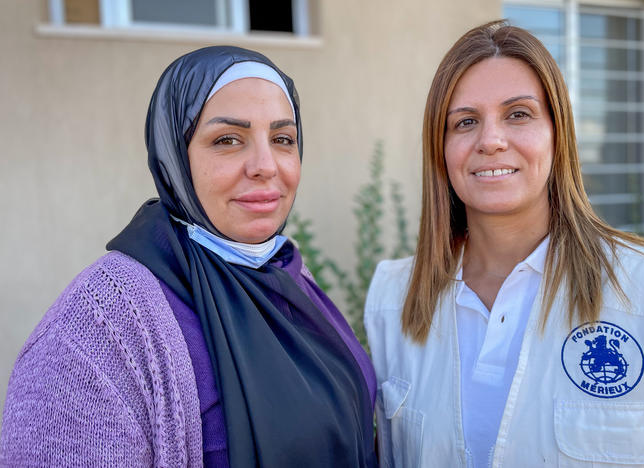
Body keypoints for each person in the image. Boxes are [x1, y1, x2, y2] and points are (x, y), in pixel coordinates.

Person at [1, 46, 377, 467]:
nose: (265, 165)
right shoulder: (95, 333)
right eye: (228, 140)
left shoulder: (285, 274)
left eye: (282, 139)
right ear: (175, 157)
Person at [364, 20, 644, 468]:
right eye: (465, 122)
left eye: (518, 114)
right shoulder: (392, 300)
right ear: (439, 149)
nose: (491, 141)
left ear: (558, 134)